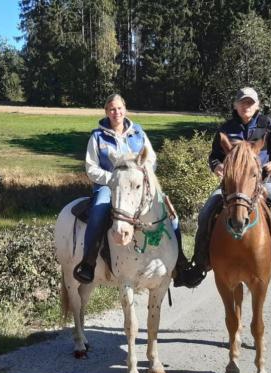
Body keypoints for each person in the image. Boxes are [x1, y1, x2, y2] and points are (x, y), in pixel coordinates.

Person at [178, 87, 271, 288]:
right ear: (236, 105)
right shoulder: (226, 128)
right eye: (242, 102)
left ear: (257, 105)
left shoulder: (269, 125)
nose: (246, 106)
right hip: (232, 186)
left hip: (262, 183)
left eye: (250, 103)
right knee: (205, 214)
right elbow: (214, 156)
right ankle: (200, 263)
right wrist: (217, 166)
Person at [73, 94, 190, 285]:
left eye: (119, 108)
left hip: (137, 186)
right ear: (106, 112)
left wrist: (140, 176)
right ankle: (88, 263)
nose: (116, 112)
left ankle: (180, 263)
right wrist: (114, 179)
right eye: (112, 109)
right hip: (108, 187)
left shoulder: (138, 133)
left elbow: (150, 158)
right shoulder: (97, 137)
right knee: (99, 210)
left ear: (125, 109)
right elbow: (91, 167)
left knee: (170, 212)